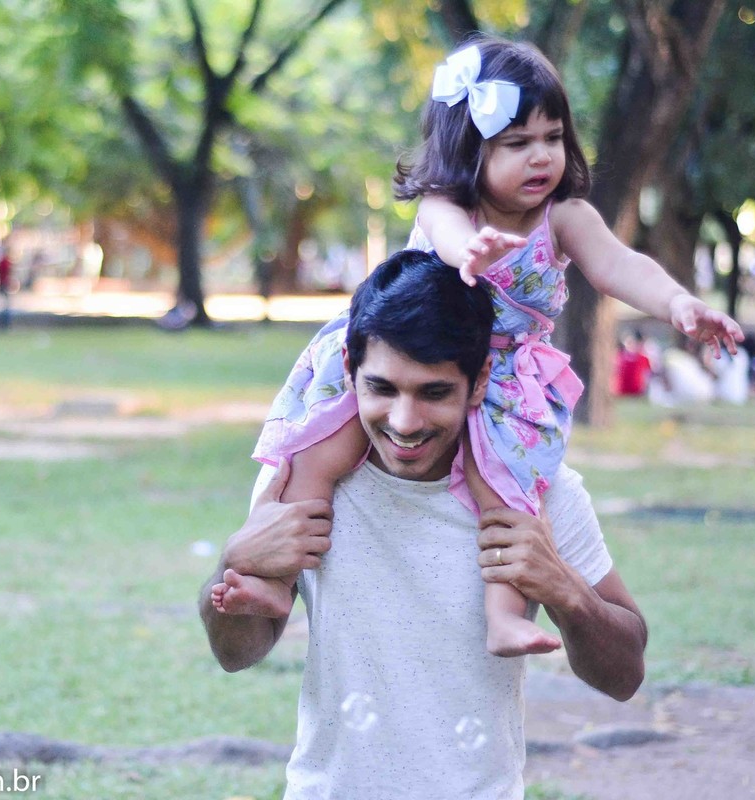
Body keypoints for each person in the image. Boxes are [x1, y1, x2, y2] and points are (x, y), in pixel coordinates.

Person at [213, 35, 739, 657]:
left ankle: (504, 616)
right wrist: (471, 252)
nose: (540, 157)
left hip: (501, 377)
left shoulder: (564, 217)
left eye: (552, 137)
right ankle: (271, 580)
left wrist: (678, 303)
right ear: (469, 150)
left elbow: (618, 266)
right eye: (516, 143)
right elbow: (449, 232)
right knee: (318, 453)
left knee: (507, 493)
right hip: (407, 349)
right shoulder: (448, 204)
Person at [201, 249, 646, 798]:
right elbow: (234, 652)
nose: (405, 423)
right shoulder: (299, 483)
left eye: (434, 393)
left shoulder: (538, 495)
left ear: (479, 380)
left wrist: (566, 591)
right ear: (348, 370)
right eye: (382, 389)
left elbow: (625, 676)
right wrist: (234, 561)